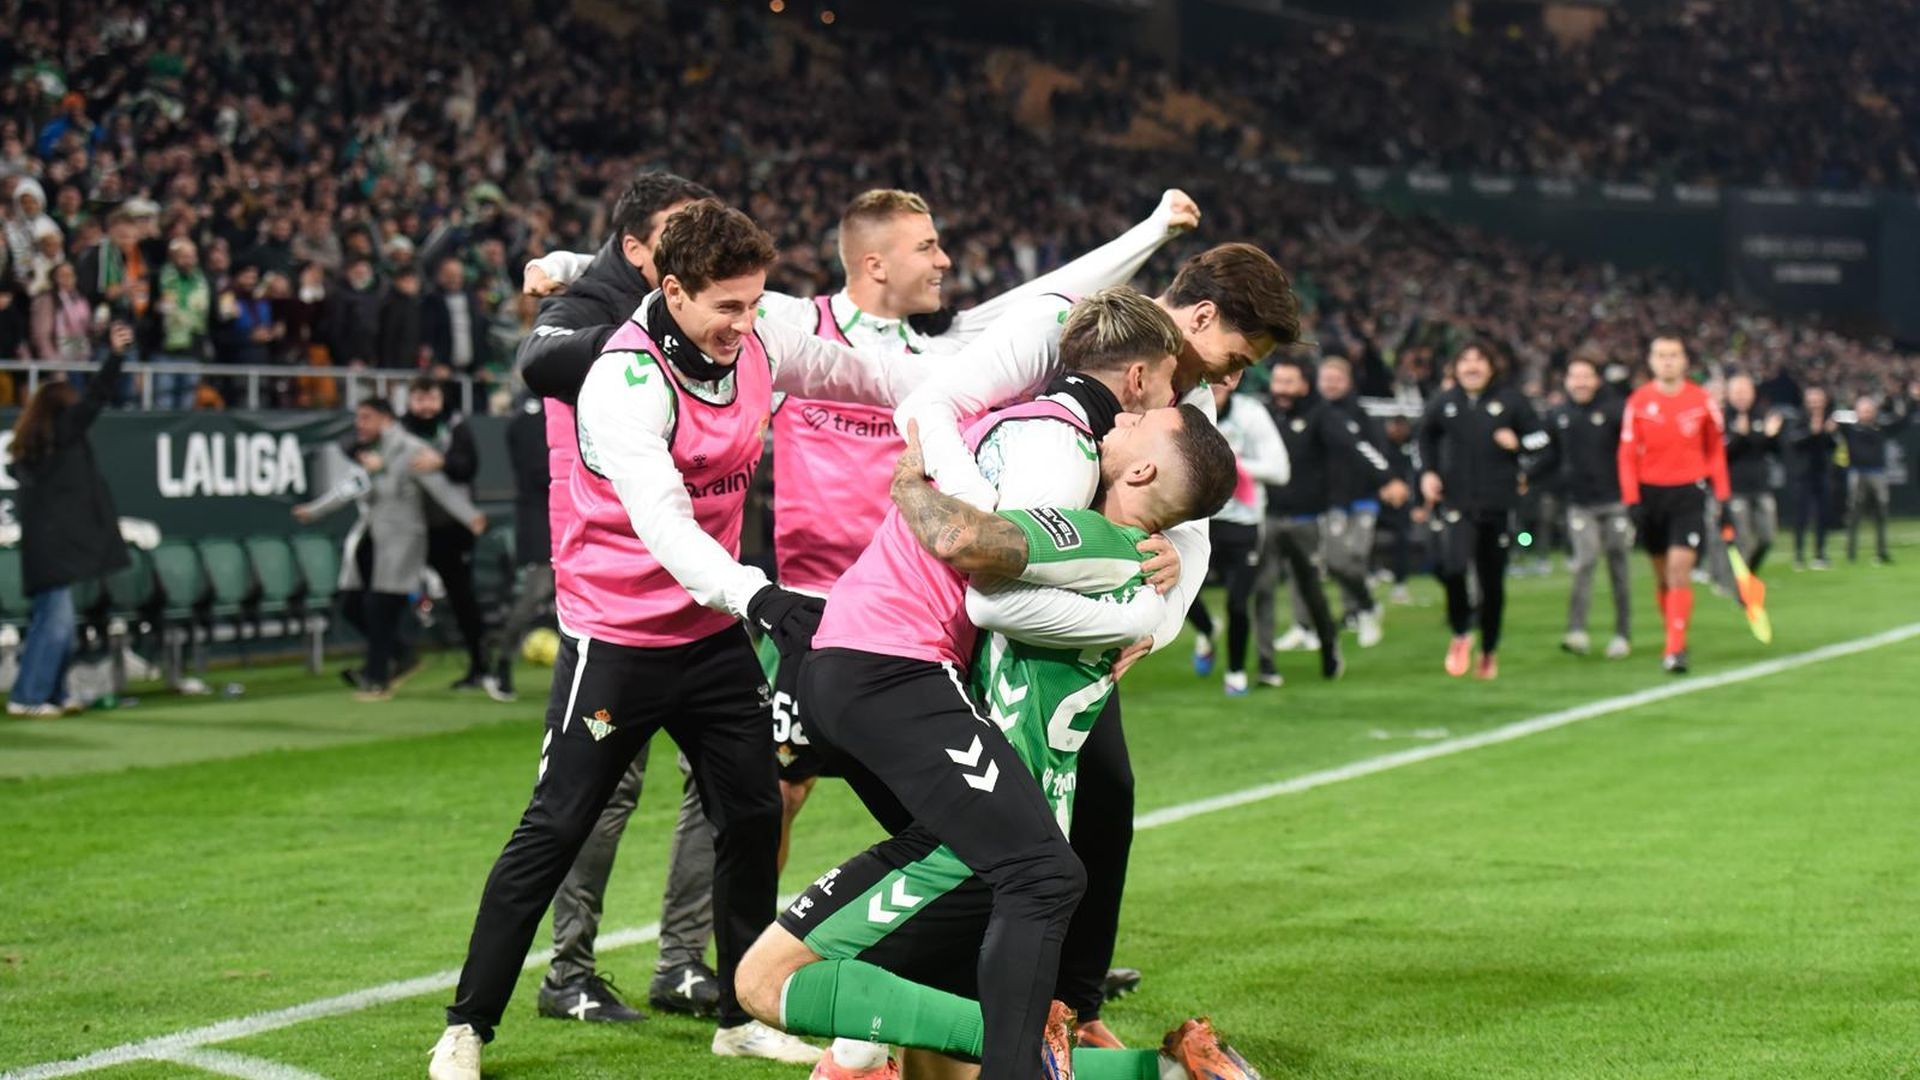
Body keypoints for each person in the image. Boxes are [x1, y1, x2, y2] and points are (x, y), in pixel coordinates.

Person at [522, 178, 1198, 1042]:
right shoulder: (788, 325)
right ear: (874, 261)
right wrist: (576, 268)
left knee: (942, 825)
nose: (945, 260)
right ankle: (684, 962)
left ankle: (967, 956)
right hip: (807, 614)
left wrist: (1149, 228)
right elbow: (672, 295)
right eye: (928, 246)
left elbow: (1042, 298)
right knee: (757, 796)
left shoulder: (935, 345)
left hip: (908, 619)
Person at [431, 199, 943, 1080]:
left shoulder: (758, 344)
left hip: (707, 641)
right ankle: (467, 1026)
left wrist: (971, 399)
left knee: (747, 814)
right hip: (618, 641)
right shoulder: (622, 381)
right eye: (728, 308)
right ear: (670, 289)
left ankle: (743, 1013)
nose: (746, 327)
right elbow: (666, 528)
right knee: (555, 828)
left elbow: (865, 375)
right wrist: (762, 598)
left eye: (756, 305)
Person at [741, 415, 1249, 1080]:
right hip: (1025, 814)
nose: (1119, 418)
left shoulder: (1090, 539)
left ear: (1143, 471)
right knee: (942, 1068)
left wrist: (911, 473)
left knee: (765, 980)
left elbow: (968, 546)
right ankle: (1172, 1075)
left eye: (1139, 421)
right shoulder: (1140, 574)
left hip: (978, 837)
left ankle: (976, 1046)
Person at [891, 244, 1301, 1053]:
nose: (1232, 379)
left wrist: (1161, 617)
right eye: (1236, 358)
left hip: (1060, 614)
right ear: (1202, 319)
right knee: (979, 823)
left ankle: (1067, 1002)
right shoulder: (1063, 327)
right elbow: (931, 403)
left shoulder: (1188, 406)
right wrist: (984, 524)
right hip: (950, 598)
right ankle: (876, 1023)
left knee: (1101, 794)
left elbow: (1195, 535)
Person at [516, 171, 727, 1026]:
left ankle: (681, 965)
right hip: (615, 606)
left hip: (702, 596)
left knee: (717, 785)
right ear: (638, 250)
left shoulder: (704, 314)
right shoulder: (587, 313)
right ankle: (566, 972)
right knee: (602, 794)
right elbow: (543, 357)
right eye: (675, 237)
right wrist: (598, 287)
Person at [293, 399, 485, 699]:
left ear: (384, 419)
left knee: (379, 606)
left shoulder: (409, 448)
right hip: (373, 535)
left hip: (402, 540)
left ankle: (377, 677)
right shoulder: (372, 450)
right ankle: (400, 655)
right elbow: (351, 486)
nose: (359, 424)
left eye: (366, 418)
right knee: (353, 604)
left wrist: (469, 516)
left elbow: (439, 488)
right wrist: (315, 511)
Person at [7, 323, 133, 717]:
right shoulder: (61, 434)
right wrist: (114, 356)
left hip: (48, 549)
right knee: (55, 626)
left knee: (57, 625)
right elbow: (95, 398)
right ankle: (27, 697)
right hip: (53, 549)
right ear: (62, 409)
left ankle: (54, 693)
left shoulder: (40, 446)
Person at [1254, 355, 1400, 682]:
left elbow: (1355, 447)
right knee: (1262, 588)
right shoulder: (1263, 415)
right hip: (1268, 515)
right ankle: (1266, 666)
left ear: (1305, 385)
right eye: (1277, 381)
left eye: (1289, 382)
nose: (1281, 389)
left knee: (1327, 573)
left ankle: (1356, 614)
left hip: (1313, 516)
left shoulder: (1323, 416)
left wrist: (1386, 477)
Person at [1418, 340, 1548, 680]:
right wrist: (1428, 473)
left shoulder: (1511, 401)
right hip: (1458, 502)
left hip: (1498, 505)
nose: (1472, 367)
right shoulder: (1444, 403)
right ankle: (1461, 633)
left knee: (1492, 584)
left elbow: (1543, 440)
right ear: (1456, 368)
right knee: (1453, 567)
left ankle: (1489, 649)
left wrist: (1519, 447)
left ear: (1491, 367)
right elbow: (1425, 437)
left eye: (1479, 361)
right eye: (1465, 361)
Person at [1617, 336, 1730, 675]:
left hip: (1688, 495)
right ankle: (1674, 631)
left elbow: (1715, 451)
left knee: (1679, 570)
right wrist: (1631, 499)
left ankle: (1675, 648)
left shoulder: (1701, 399)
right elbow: (1626, 455)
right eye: (1661, 355)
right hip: (1650, 496)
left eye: (1674, 355)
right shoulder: (1638, 401)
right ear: (1651, 361)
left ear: (1684, 361)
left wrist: (1721, 493)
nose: (1668, 361)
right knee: (1662, 577)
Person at [1188, 370, 1290, 694]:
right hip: (1195, 518)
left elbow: (1279, 470)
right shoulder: (1185, 409)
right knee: (1179, 589)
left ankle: (1235, 672)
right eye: (1206, 380)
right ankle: (1206, 630)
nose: (1214, 386)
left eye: (1221, 379)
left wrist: (1231, 465)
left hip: (1242, 522)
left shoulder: (1251, 414)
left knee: (1237, 602)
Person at [1535, 355, 1632, 658]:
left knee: (1619, 567)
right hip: (1579, 504)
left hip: (1615, 502)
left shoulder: (1616, 410)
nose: (1580, 382)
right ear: (1566, 381)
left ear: (1597, 379)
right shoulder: (1558, 415)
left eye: (1586, 376)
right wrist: (1526, 476)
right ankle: (1576, 631)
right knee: (1585, 563)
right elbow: (1548, 456)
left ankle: (1622, 633)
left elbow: (1631, 453)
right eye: (1574, 376)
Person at [1304, 355, 1401, 647]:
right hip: (1331, 499)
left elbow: (1377, 451)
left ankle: (1360, 610)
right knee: (1338, 560)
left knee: (1355, 556)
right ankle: (1357, 610)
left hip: (1363, 498)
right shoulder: (1314, 414)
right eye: (1326, 379)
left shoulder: (1361, 416)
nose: (1331, 384)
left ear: (1347, 382)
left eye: (1337, 379)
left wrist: (1386, 480)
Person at [398, 377, 488, 689]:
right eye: (419, 399)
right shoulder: (399, 431)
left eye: (431, 398)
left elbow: (469, 466)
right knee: (388, 594)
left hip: (452, 528)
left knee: (462, 597)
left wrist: (442, 461)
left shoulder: (455, 426)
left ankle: (480, 665)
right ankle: (395, 660)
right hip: (410, 527)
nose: (425, 406)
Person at [480, 392, 555, 704]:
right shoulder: (532, 412)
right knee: (535, 594)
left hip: (570, 515)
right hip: (543, 520)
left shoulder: (562, 403)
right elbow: (539, 470)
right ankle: (500, 665)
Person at [1721, 373, 1784, 576]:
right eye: (1736, 392)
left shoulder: (1763, 415)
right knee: (1743, 540)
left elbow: (1774, 450)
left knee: (1767, 538)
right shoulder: (1722, 418)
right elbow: (1723, 454)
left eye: (1744, 391)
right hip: (1736, 488)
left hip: (1761, 486)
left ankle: (1749, 573)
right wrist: (1740, 435)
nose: (1741, 396)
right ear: (1728, 394)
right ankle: (1742, 587)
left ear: (1752, 393)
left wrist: (1771, 436)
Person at [1838, 391, 1912, 565]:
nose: (1867, 413)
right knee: (1854, 513)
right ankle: (1851, 552)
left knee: (1881, 512)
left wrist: (1911, 400)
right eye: (1863, 410)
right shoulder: (1850, 428)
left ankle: (1881, 551)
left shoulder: (1880, 427)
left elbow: (1902, 422)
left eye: (1869, 410)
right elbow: (1834, 417)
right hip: (1857, 472)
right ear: (1856, 411)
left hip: (1877, 473)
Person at [151, 237, 211, 410]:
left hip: (192, 350)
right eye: (183, 256)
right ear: (173, 257)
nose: (188, 261)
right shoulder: (159, 278)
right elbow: (147, 312)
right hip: (164, 349)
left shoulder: (203, 282)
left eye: (192, 256)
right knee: (163, 403)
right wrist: (157, 308)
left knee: (187, 404)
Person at [1787, 387, 1839, 571]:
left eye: (1819, 399)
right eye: (1812, 400)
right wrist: (1813, 431)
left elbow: (1833, 445)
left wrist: (1829, 433)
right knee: (1801, 516)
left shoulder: (1829, 419)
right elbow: (1794, 441)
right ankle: (1799, 555)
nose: (1816, 403)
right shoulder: (1798, 418)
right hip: (1802, 474)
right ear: (1806, 401)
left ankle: (1820, 554)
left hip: (1822, 473)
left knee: (1822, 515)